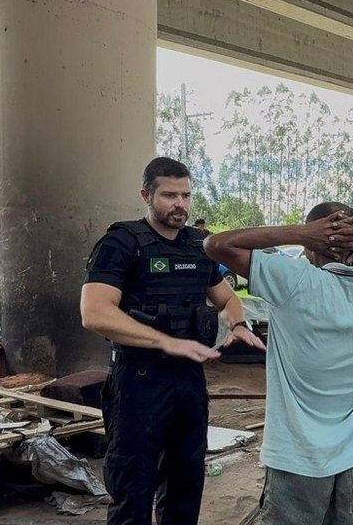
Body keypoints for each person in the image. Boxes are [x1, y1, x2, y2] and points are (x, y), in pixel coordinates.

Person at [204, 202, 353, 525]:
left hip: (297, 455)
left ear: (311, 246)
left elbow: (215, 245)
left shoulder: (291, 280)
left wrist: (301, 233)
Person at [80, 157, 258, 525]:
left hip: (189, 383)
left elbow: (226, 297)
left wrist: (238, 323)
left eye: (186, 195)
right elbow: (94, 312)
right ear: (146, 195)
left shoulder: (198, 244)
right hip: (138, 382)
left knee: (185, 485)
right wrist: (165, 341)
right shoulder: (123, 241)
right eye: (169, 195)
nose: (180, 204)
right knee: (133, 489)